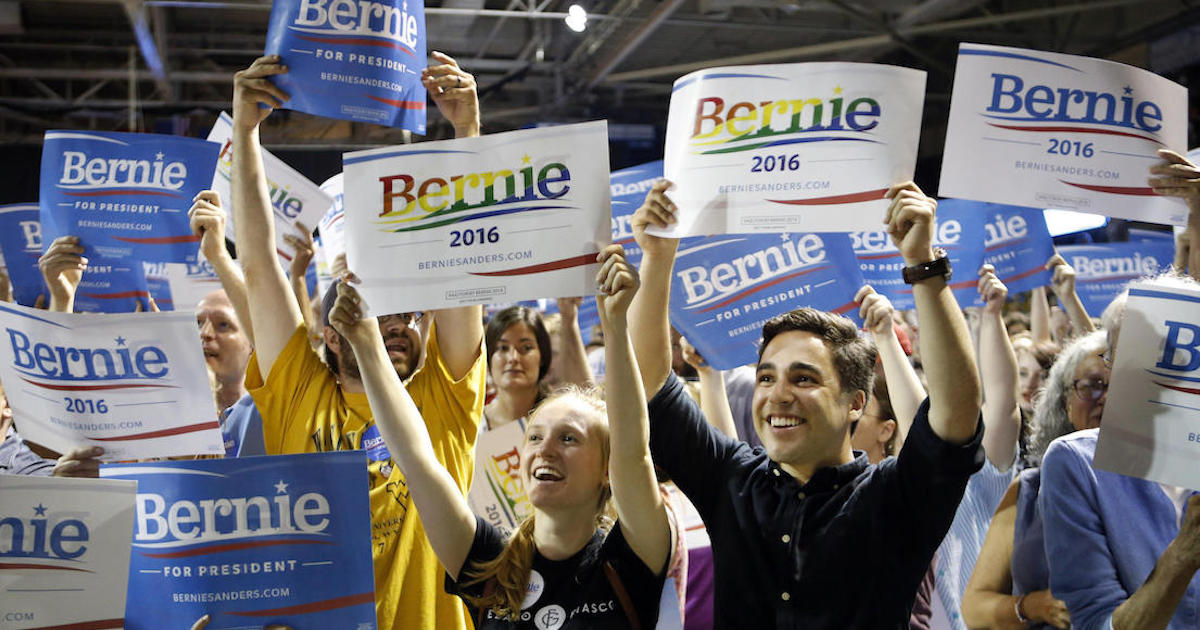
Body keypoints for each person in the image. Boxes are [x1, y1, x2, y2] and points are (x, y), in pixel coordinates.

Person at [628, 179, 984, 627]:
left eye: (803, 378)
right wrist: (657, 259)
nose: (778, 395)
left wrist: (922, 267)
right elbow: (650, 382)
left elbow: (956, 412)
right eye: (766, 377)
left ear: (856, 403)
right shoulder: (730, 480)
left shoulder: (895, 497)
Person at [229, 54, 487, 630]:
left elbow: (463, 257)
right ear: (329, 326)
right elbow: (258, 262)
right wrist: (246, 131)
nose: (394, 322)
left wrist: (466, 135)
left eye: (408, 308)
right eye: (372, 303)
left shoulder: (447, 398)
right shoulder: (296, 389)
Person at [327, 244, 671, 628]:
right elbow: (415, 459)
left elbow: (633, 451)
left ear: (608, 469)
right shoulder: (489, 564)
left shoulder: (632, 556)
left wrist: (615, 325)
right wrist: (365, 340)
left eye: (569, 439)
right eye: (535, 438)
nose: (545, 451)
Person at [962, 331, 1107, 630]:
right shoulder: (1029, 490)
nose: (1107, 398)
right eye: (1092, 386)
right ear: (1065, 402)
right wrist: (1032, 606)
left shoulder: (1165, 491)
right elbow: (974, 608)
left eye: (1122, 389)